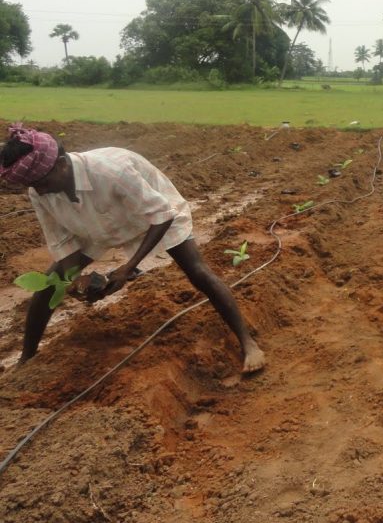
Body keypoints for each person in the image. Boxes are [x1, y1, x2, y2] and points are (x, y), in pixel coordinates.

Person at [0, 124, 266, 373]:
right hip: (96, 222)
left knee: (197, 271)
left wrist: (127, 269)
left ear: (61, 164)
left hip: (151, 215)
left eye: (43, 183)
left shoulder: (111, 171)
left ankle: (247, 343)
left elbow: (161, 215)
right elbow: (60, 238)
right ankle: (27, 357)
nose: (40, 191)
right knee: (51, 283)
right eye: (34, 186)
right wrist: (73, 279)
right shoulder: (39, 190)